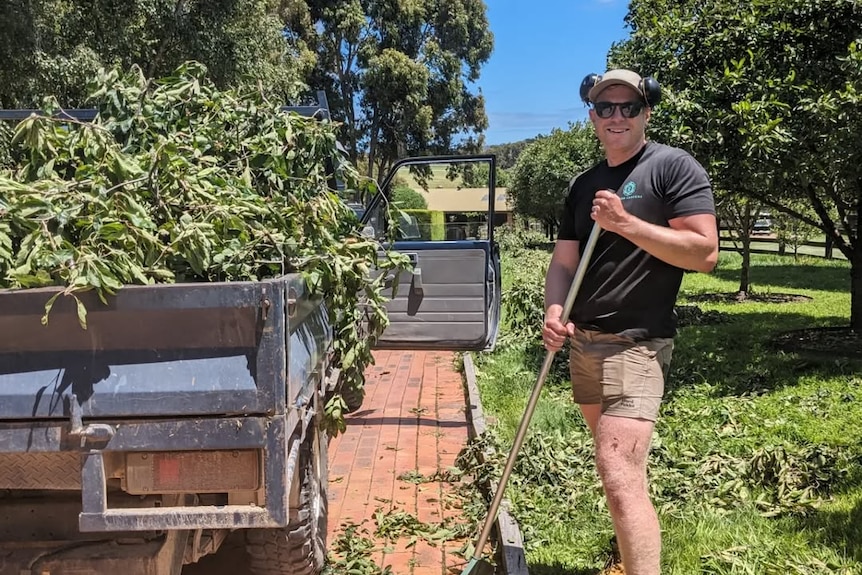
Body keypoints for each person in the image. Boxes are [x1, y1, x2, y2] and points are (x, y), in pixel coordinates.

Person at [542, 69, 718, 575]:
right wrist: (555, 310)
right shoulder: (583, 184)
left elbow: (704, 253)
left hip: (637, 345)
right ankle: (629, 556)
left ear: (646, 111)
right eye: (605, 108)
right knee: (620, 472)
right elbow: (563, 264)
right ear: (592, 115)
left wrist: (626, 224)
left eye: (628, 107)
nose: (617, 116)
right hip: (584, 346)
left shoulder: (673, 168)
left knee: (618, 474)